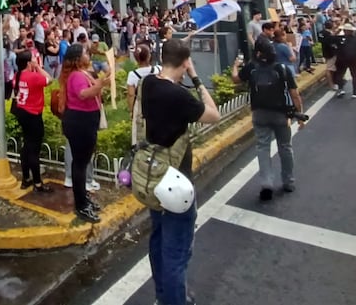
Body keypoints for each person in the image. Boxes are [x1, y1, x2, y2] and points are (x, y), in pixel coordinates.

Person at [142, 39, 220, 305]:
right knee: (176, 252)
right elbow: (213, 115)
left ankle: (162, 296)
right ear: (185, 62)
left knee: (158, 240)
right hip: (177, 181)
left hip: (153, 173)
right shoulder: (179, 96)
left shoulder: (149, 84)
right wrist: (196, 78)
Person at [231, 38, 302, 201]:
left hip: (259, 114)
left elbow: (235, 79)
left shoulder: (251, 67)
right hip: (281, 114)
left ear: (257, 52)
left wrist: (235, 65)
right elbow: (295, 94)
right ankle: (288, 182)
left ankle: (266, 184)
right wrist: (300, 115)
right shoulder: (282, 68)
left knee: (263, 147)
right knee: (285, 147)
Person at [58, 43, 110, 223]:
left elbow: (94, 88)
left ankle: (83, 198)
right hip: (80, 122)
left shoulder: (83, 73)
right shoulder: (76, 75)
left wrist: (103, 81)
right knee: (80, 164)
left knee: (82, 161)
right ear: (78, 58)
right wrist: (100, 84)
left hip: (86, 121)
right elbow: (83, 94)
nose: (88, 55)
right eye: (85, 53)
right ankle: (81, 204)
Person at [12, 50, 52, 192]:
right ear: (29, 63)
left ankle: (26, 178)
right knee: (34, 149)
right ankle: (37, 183)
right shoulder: (33, 76)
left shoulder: (17, 75)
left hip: (22, 112)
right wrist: (38, 67)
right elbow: (49, 79)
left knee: (27, 146)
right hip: (33, 114)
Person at [126, 44, 160, 146]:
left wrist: (131, 111)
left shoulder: (132, 75)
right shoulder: (158, 69)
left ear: (136, 59)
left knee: (140, 128)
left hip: (140, 105)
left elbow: (131, 94)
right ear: (149, 56)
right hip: (158, 102)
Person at [334, 23, 356, 98]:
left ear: (344, 30)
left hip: (341, 59)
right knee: (355, 76)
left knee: (340, 75)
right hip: (354, 60)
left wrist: (337, 32)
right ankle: (355, 92)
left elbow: (330, 39)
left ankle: (340, 89)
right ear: (352, 31)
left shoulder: (339, 39)